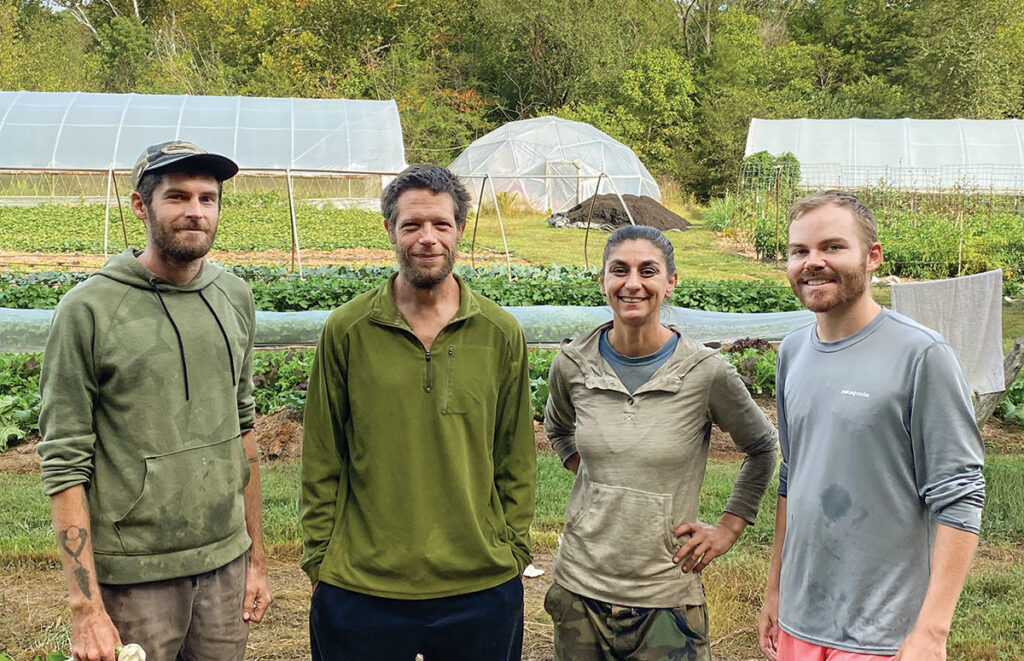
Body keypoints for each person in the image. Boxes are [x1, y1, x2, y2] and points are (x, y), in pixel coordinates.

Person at [38, 140, 272, 661]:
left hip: (225, 565)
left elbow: (244, 430)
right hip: (134, 578)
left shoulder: (234, 297)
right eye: (178, 196)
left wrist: (257, 559)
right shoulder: (88, 310)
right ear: (141, 206)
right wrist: (86, 608)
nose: (196, 211)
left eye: (208, 198)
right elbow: (65, 461)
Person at [300, 164, 536, 661]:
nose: (427, 239)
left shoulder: (499, 332)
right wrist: (321, 557)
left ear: (460, 230)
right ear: (390, 230)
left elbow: (515, 456)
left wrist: (513, 550)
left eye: (440, 225)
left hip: (480, 583)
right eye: (411, 225)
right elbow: (323, 455)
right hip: (361, 585)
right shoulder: (347, 330)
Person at [757, 190, 986, 661]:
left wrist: (931, 633)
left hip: (882, 635)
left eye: (833, 247)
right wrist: (775, 589)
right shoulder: (792, 352)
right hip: (801, 620)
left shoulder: (922, 356)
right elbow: (791, 476)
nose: (812, 262)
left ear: (873, 257)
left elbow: (961, 495)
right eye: (800, 251)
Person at [543, 225, 778, 660]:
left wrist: (728, 529)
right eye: (620, 270)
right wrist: (596, 477)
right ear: (603, 281)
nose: (633, 283)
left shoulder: (705, 373)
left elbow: (763, 448)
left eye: (648, 271)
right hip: (579, 587)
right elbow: (557, 428)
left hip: (666, 591)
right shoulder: (572, 364)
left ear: (670, 282)